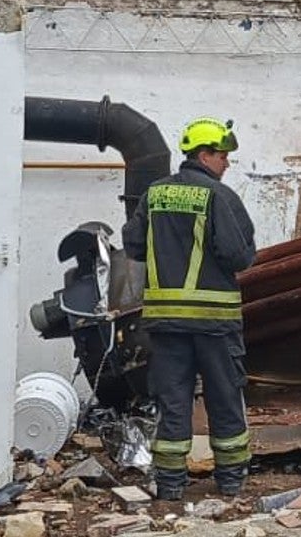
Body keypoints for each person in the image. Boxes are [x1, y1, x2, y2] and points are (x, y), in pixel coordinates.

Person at [121, 117, 257, 500]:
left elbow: (133, 245)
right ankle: (230, 480)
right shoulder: (219, 196)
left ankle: (170, 484)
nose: (227, 163)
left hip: (166, 324)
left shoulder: (154, 194)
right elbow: (238, 255)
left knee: (173, 400)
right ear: (204, 154)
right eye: (223, 155)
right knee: (224, 397)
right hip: (214, 323)